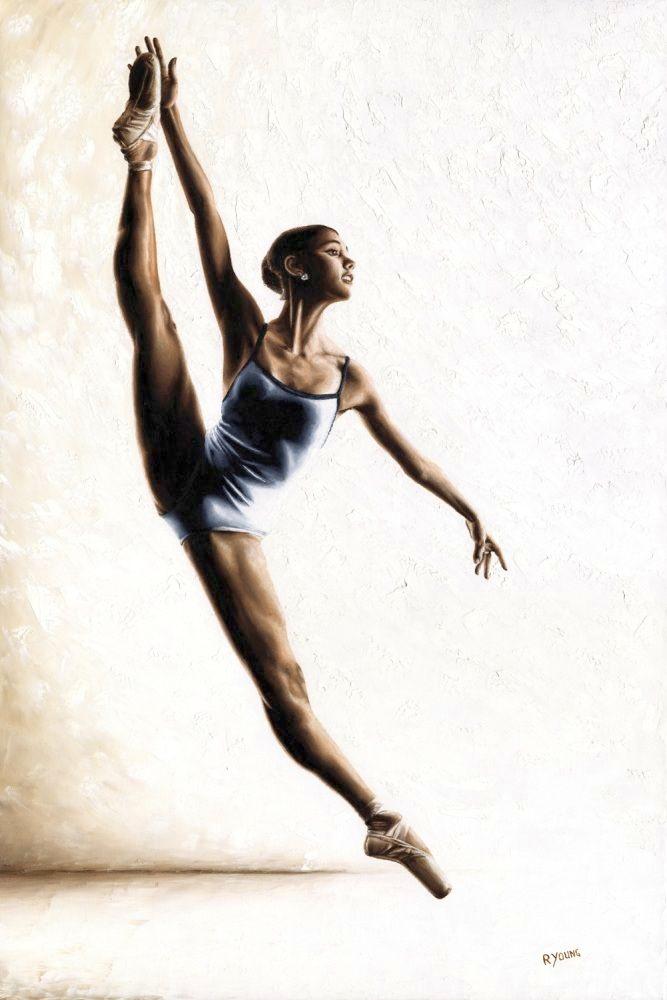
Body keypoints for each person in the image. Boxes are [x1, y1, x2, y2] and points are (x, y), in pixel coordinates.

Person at [112, 37, 507, 900]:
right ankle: (134, 154)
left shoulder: (349, 379)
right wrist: (170, 117)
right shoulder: (249, 331)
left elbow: (413, 460)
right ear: (294, 266)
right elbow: (209, 223)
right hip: (192, 469)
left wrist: (470, 511)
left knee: (285, 686)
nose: (349, 259)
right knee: (155, 321)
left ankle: (381, 821)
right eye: (334, 250)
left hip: (227, 520)